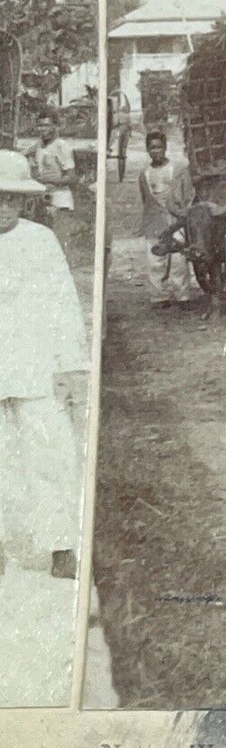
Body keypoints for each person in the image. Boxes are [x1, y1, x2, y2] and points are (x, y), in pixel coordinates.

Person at [0, 150, 87, 581]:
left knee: (50, 455)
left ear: (24, 202)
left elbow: (64, 305)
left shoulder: (40, 240)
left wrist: (68, 368)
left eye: (11, 199)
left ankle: (60, 547)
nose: (3, 208)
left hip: (34, 365)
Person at [137, 130, 197, 306]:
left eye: (159, 147)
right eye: (152, 148)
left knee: (179, 261)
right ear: (148, 149)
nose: (156, 151)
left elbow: (188, 195)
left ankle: (183, 295)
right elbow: (145, 198)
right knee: (155, 261)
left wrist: (183, 215)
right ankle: (158, 296)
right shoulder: (144, 174)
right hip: (154, 222)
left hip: (176, 221)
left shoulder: (178, 170)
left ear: (165, 148)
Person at [30, 110, 77, 248]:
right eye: (40, 126)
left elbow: (72, 177)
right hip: (43, 199)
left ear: (56, 126)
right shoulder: (39, 144)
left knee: (60, 242)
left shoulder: (62, 146)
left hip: (60, 200)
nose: (43, 129)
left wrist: (47, 180)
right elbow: (22, 154)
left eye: (47, 125)